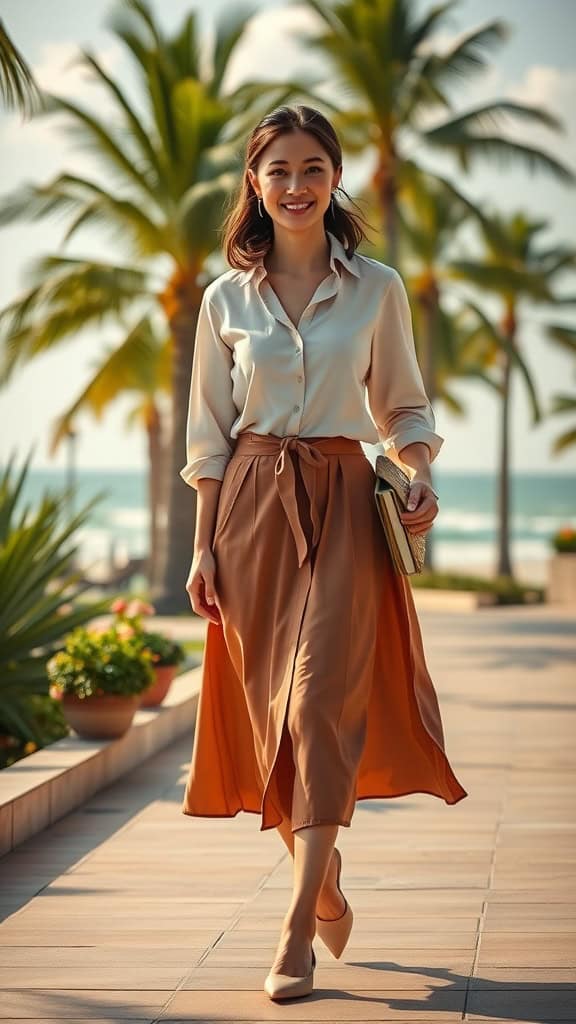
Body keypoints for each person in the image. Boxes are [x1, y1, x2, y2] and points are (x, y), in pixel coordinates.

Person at [180, 104, 467, 1001]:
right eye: (279, 172)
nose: (297, 186)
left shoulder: (377, 288)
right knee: (278, 721)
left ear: (334, 175)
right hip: (252, 517)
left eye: (313, 168)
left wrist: (414, 470)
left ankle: (297, 926)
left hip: (345, 503)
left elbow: (406, 412)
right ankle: (326, 873)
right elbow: (208, 437)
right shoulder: (224, 299)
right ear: (254, 185)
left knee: (318, 708)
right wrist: (201, 550)